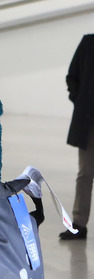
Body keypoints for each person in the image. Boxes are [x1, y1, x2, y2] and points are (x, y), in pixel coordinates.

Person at [60, 34, 94, 240]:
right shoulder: (88, 43)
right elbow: (72, 76)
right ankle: (79, 224)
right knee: (85, 174)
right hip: (89, 121)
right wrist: (80, 100)